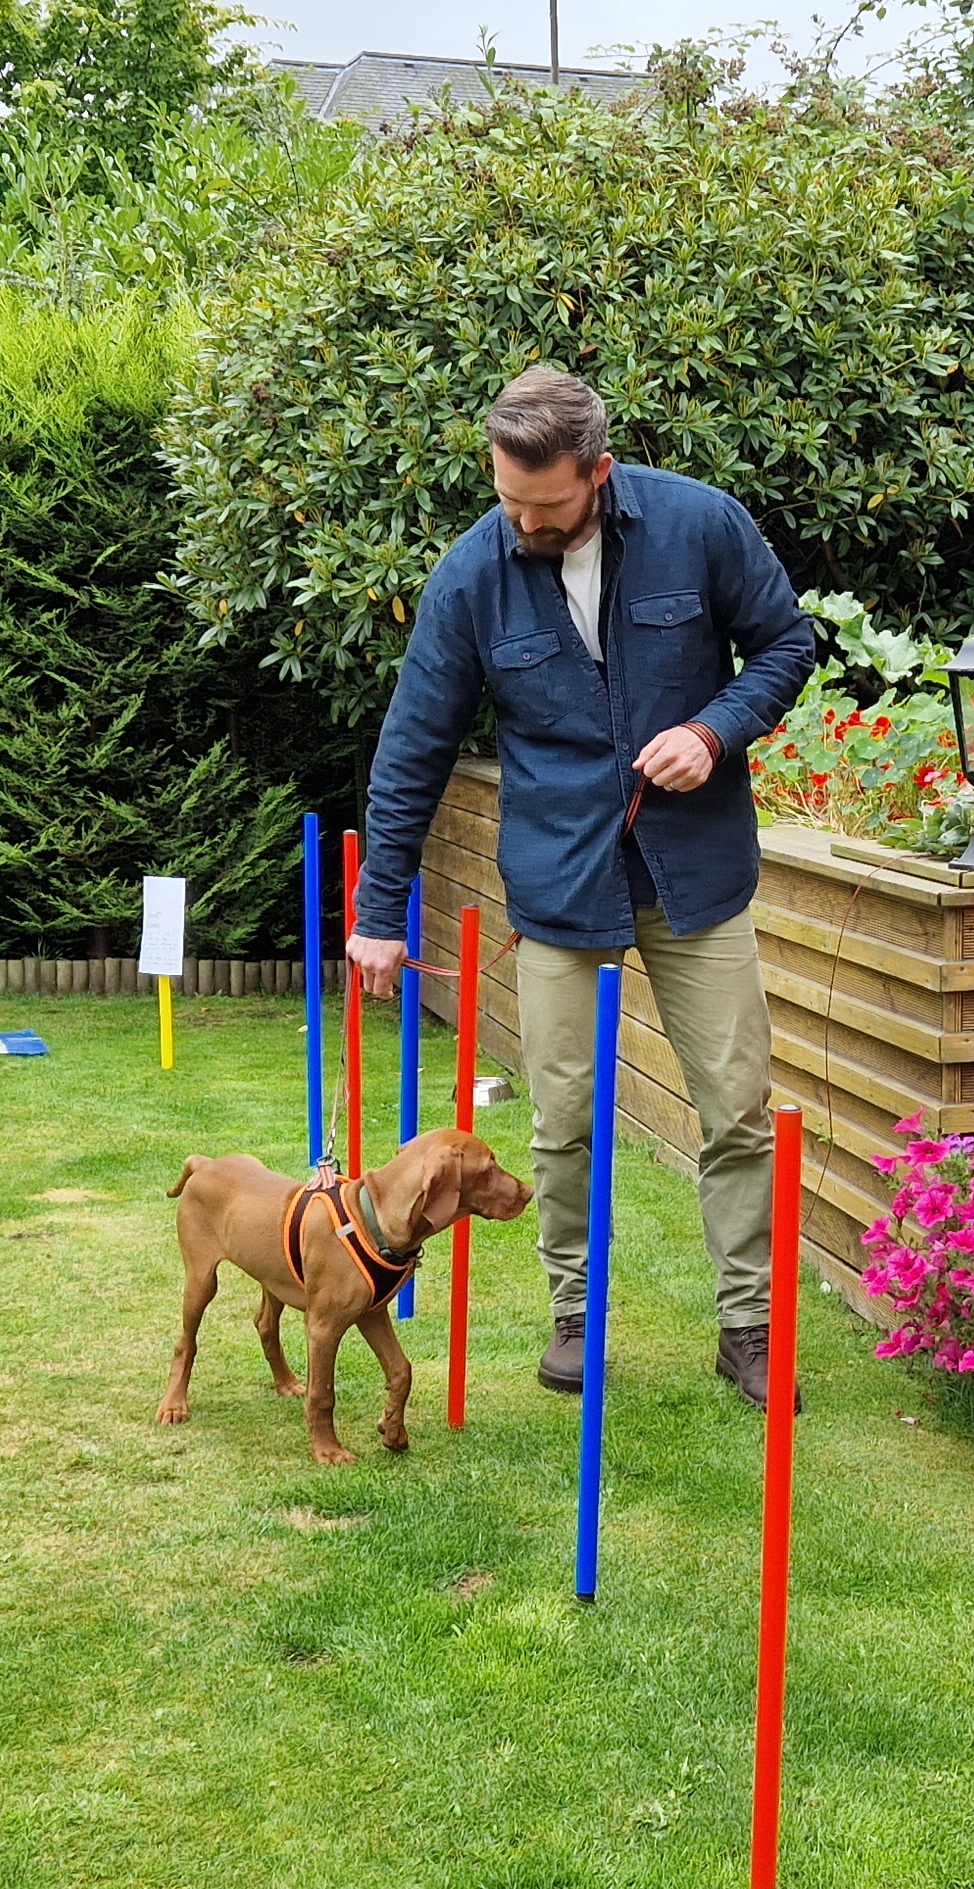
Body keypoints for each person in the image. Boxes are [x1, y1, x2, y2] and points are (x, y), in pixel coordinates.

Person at [345, 367, 818, 1407]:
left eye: (546, 504)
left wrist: (713, 729)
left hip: (699, 876)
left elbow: (787, 642)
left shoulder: (702, 525)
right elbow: (412, 747)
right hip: (561, 886)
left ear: (598, 473)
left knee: (735, 1108)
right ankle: (575, 1313)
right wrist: (378, 915)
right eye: (507, 497)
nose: (522, 520)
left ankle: (747, 1325)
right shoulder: (471, 574)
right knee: (561, 1118)